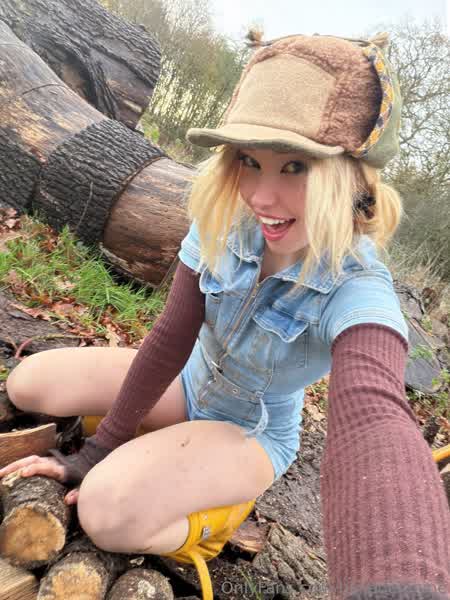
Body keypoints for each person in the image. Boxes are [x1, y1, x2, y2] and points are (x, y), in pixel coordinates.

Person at [1, 32, 449, 600]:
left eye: (295, 166)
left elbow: (374, 416)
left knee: (105, 512)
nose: (260, 196)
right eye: (249, 161)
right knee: (30, 383)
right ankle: (156, 449)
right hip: (191, 383)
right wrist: (99, 448)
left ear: (350, 177)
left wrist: (399, 583)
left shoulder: (358, 287)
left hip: (249, 434)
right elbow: (171, 337)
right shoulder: (226, 224)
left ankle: (213, 521)